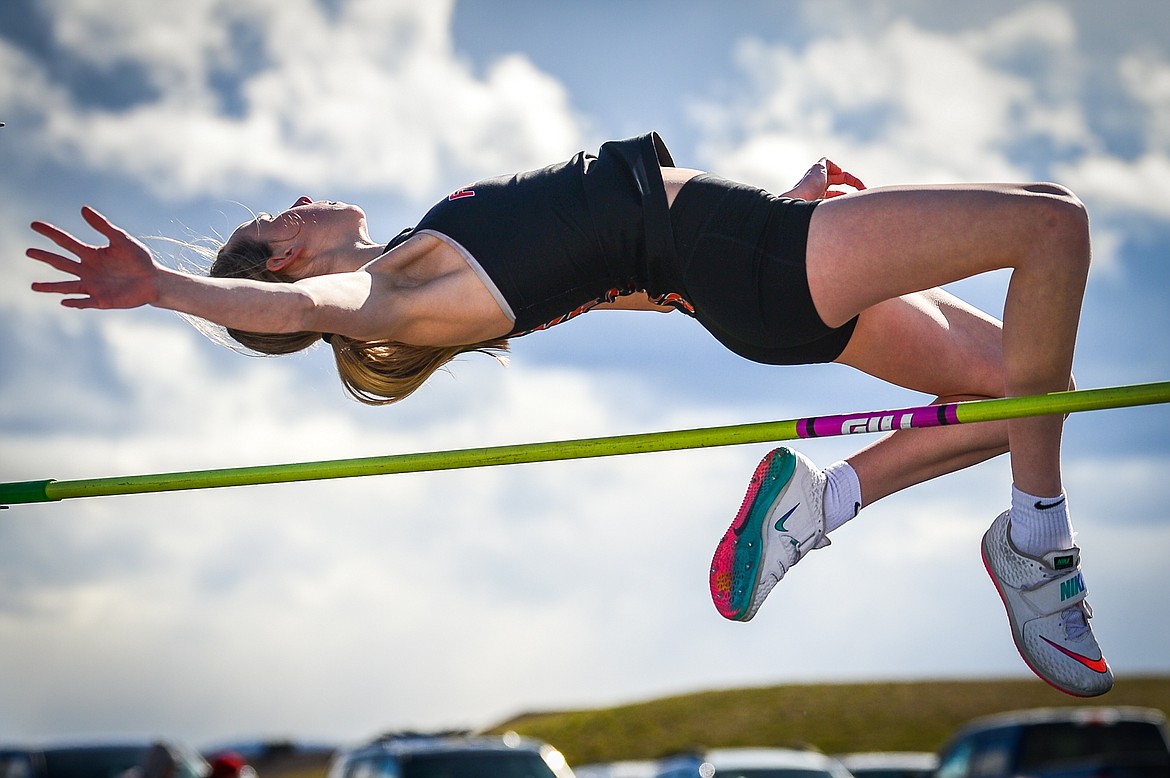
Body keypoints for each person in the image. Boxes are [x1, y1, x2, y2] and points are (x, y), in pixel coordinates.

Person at [27, 131, 1107, 696]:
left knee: (1032, 384)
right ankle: (1039, 540)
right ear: (289, 254)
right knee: (1054, 228)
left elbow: (628, 275)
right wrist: (167, 287)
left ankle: (821, 501)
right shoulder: (381, 291)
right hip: (750, 264)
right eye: (279, 217)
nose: (298, 198)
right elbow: (301, 306)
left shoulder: (425, 261)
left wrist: (782, 216)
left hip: (745, 261)